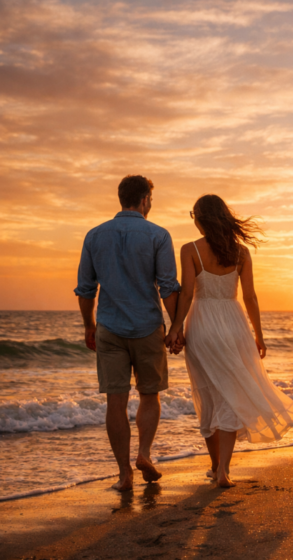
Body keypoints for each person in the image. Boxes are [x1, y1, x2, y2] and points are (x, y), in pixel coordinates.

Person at [168, 194, 293, 488]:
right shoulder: (241, 253)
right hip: (234, 323)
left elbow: (187, 294)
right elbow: (251, 297)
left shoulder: (190, 249)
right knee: (230, 392)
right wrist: (259, 334)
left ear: (201, 219)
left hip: (202, 323)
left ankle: (216, 465)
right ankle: (223, 470)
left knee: (205, 392)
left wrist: (176, 327)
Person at [74, 175, 181, 492]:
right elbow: (168, 287)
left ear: (121, 198)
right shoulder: (158, 235)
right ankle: (144, 454)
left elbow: (85, 290)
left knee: (115, 402)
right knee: (150, 394)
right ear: (146, 199)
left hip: (109, 326)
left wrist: (89, 326)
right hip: (147, 326)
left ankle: (124, 474)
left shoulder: (95, 236)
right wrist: (176, 327)